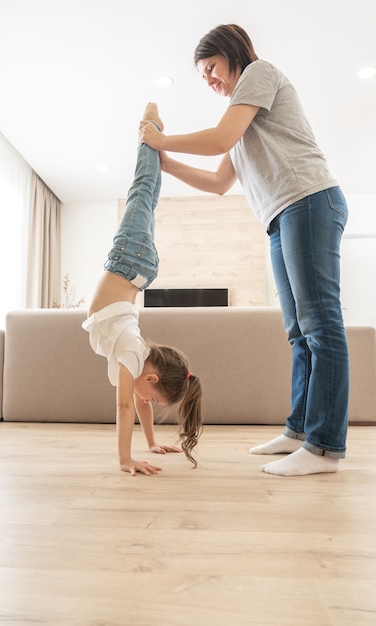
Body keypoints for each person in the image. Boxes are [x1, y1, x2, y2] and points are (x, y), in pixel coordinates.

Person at [139, 25, 349, 477]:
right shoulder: (246, 116)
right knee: (298, 333)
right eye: (202, 75)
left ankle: (325, 448)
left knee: (321, 327)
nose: (209, 79)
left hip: (309, 201)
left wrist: (162, 142)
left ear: (233, 55)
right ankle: (298, 432)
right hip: (281, 217)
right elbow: (218, 183)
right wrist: (166, 162)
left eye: (211, 68)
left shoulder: (259, 73)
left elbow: (218, 138)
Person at [83, 103, 202, 476]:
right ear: (151, 377)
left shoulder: (136, 360)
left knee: (146, 197)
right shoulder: (133, 358)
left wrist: (150, 443)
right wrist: (125, 460)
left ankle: (154, 140)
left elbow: (140, 404)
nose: (143, 401)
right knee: (142, 190)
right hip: (128, 261)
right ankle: (150, 129)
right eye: (149, 393)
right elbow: (123, 408)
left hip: (137, 268)